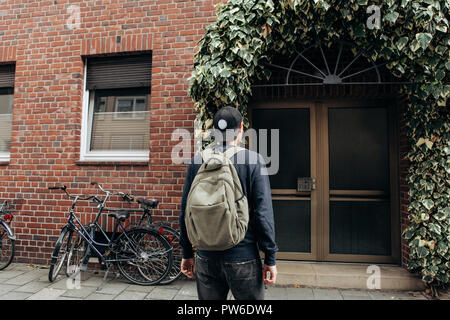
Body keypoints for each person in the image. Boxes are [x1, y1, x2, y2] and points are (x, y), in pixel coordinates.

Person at [179, 106, 278, 300]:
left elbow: (185, 210)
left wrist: (186, 252)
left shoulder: (197, 161)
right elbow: (262, 213)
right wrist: (270, 257)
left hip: (205, 257)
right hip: (243, 256)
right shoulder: (253, 160)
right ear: (241, 128)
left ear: (214, 130)